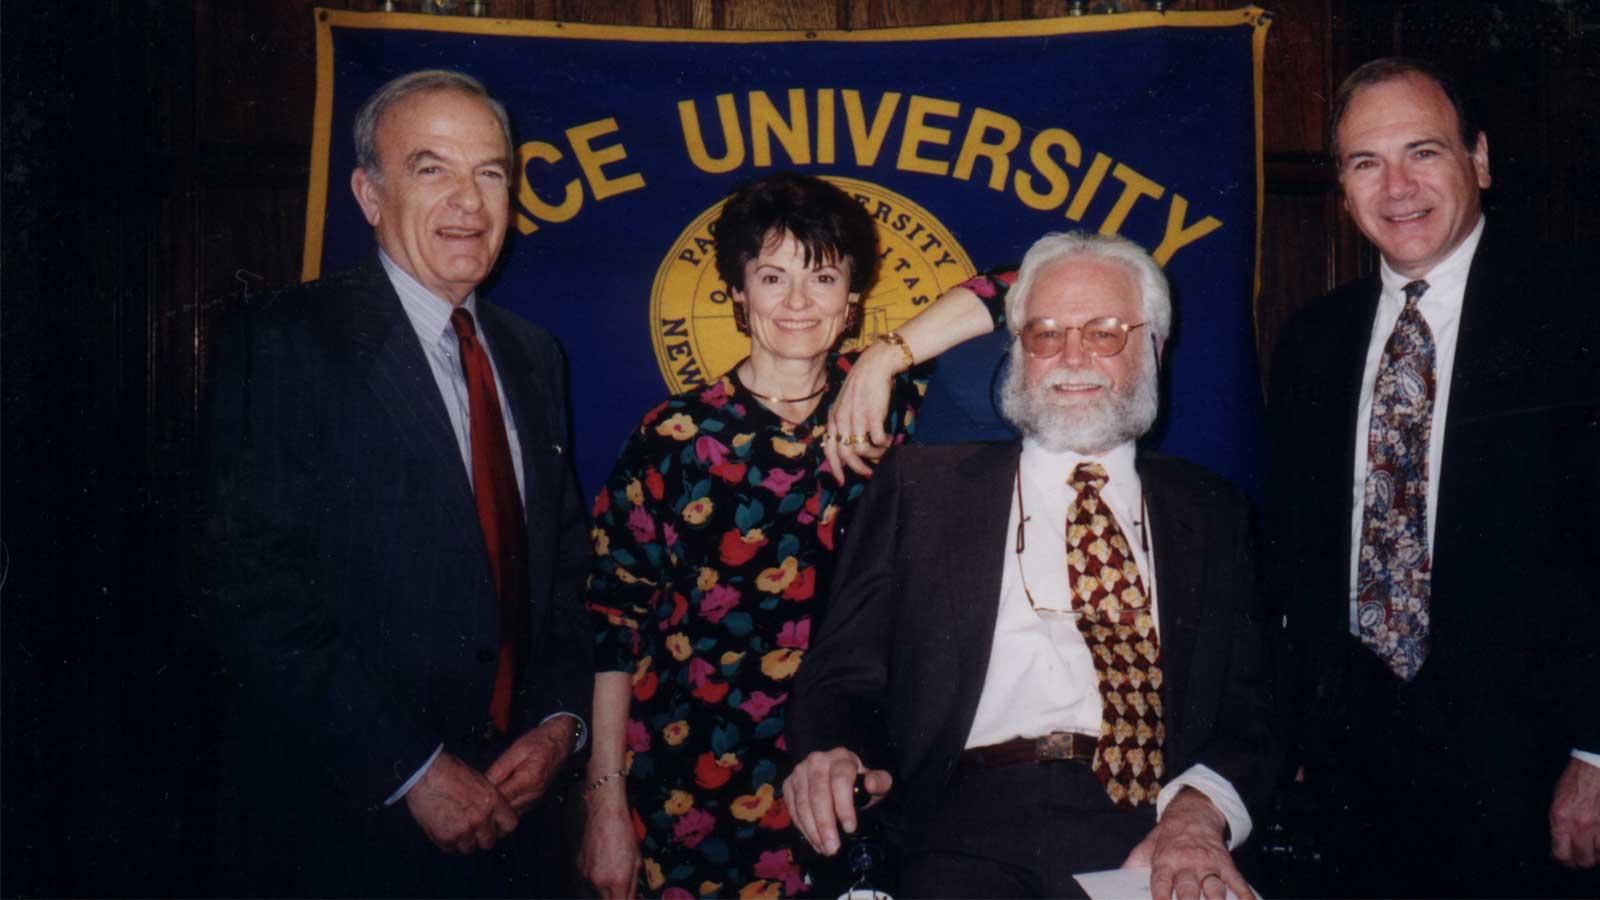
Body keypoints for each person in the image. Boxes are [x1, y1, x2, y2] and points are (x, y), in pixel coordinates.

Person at [785, 230, 1276, 900]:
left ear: (1154, 350)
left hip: (1153, 827)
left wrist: (1198, 816)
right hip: (961, 825)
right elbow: (842, 676)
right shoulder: (918, 488)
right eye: (1044, 334)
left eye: (1105, 332)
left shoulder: (1215, 512)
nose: (1072, 357)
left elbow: (1254, 713)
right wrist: (836, 752)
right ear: (1017, 354)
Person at [201, 70, 592, 897]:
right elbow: (249, 593)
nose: (469, 201)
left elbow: (563, 575)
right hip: (355, 827)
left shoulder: (534, 355)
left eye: (491, 172)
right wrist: (410, 769)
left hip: (518, 827)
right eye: (431, 168)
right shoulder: (285, 342)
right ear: (368, 195)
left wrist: (560, 724)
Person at [578, 172, 1007, 898]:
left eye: (824, 276)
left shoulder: (908, 415)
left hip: (861, 781)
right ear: (738, 294)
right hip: (694, 797)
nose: (799, 303)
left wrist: (884, 358)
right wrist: (605, 804)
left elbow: (1036, 283)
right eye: (772, 277)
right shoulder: (673, 437)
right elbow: (613, 630)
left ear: (853, 297)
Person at [1267, 57, 1600, 896]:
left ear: (1479, 160)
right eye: (1365, 163)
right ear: (1342, 187)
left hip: (1536, 770)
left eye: (1424, 152)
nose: (1397, 187)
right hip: (1352, 771)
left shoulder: (1578, 310)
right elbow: (1298, 554)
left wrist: (1598, 752)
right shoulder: (1312, 341)